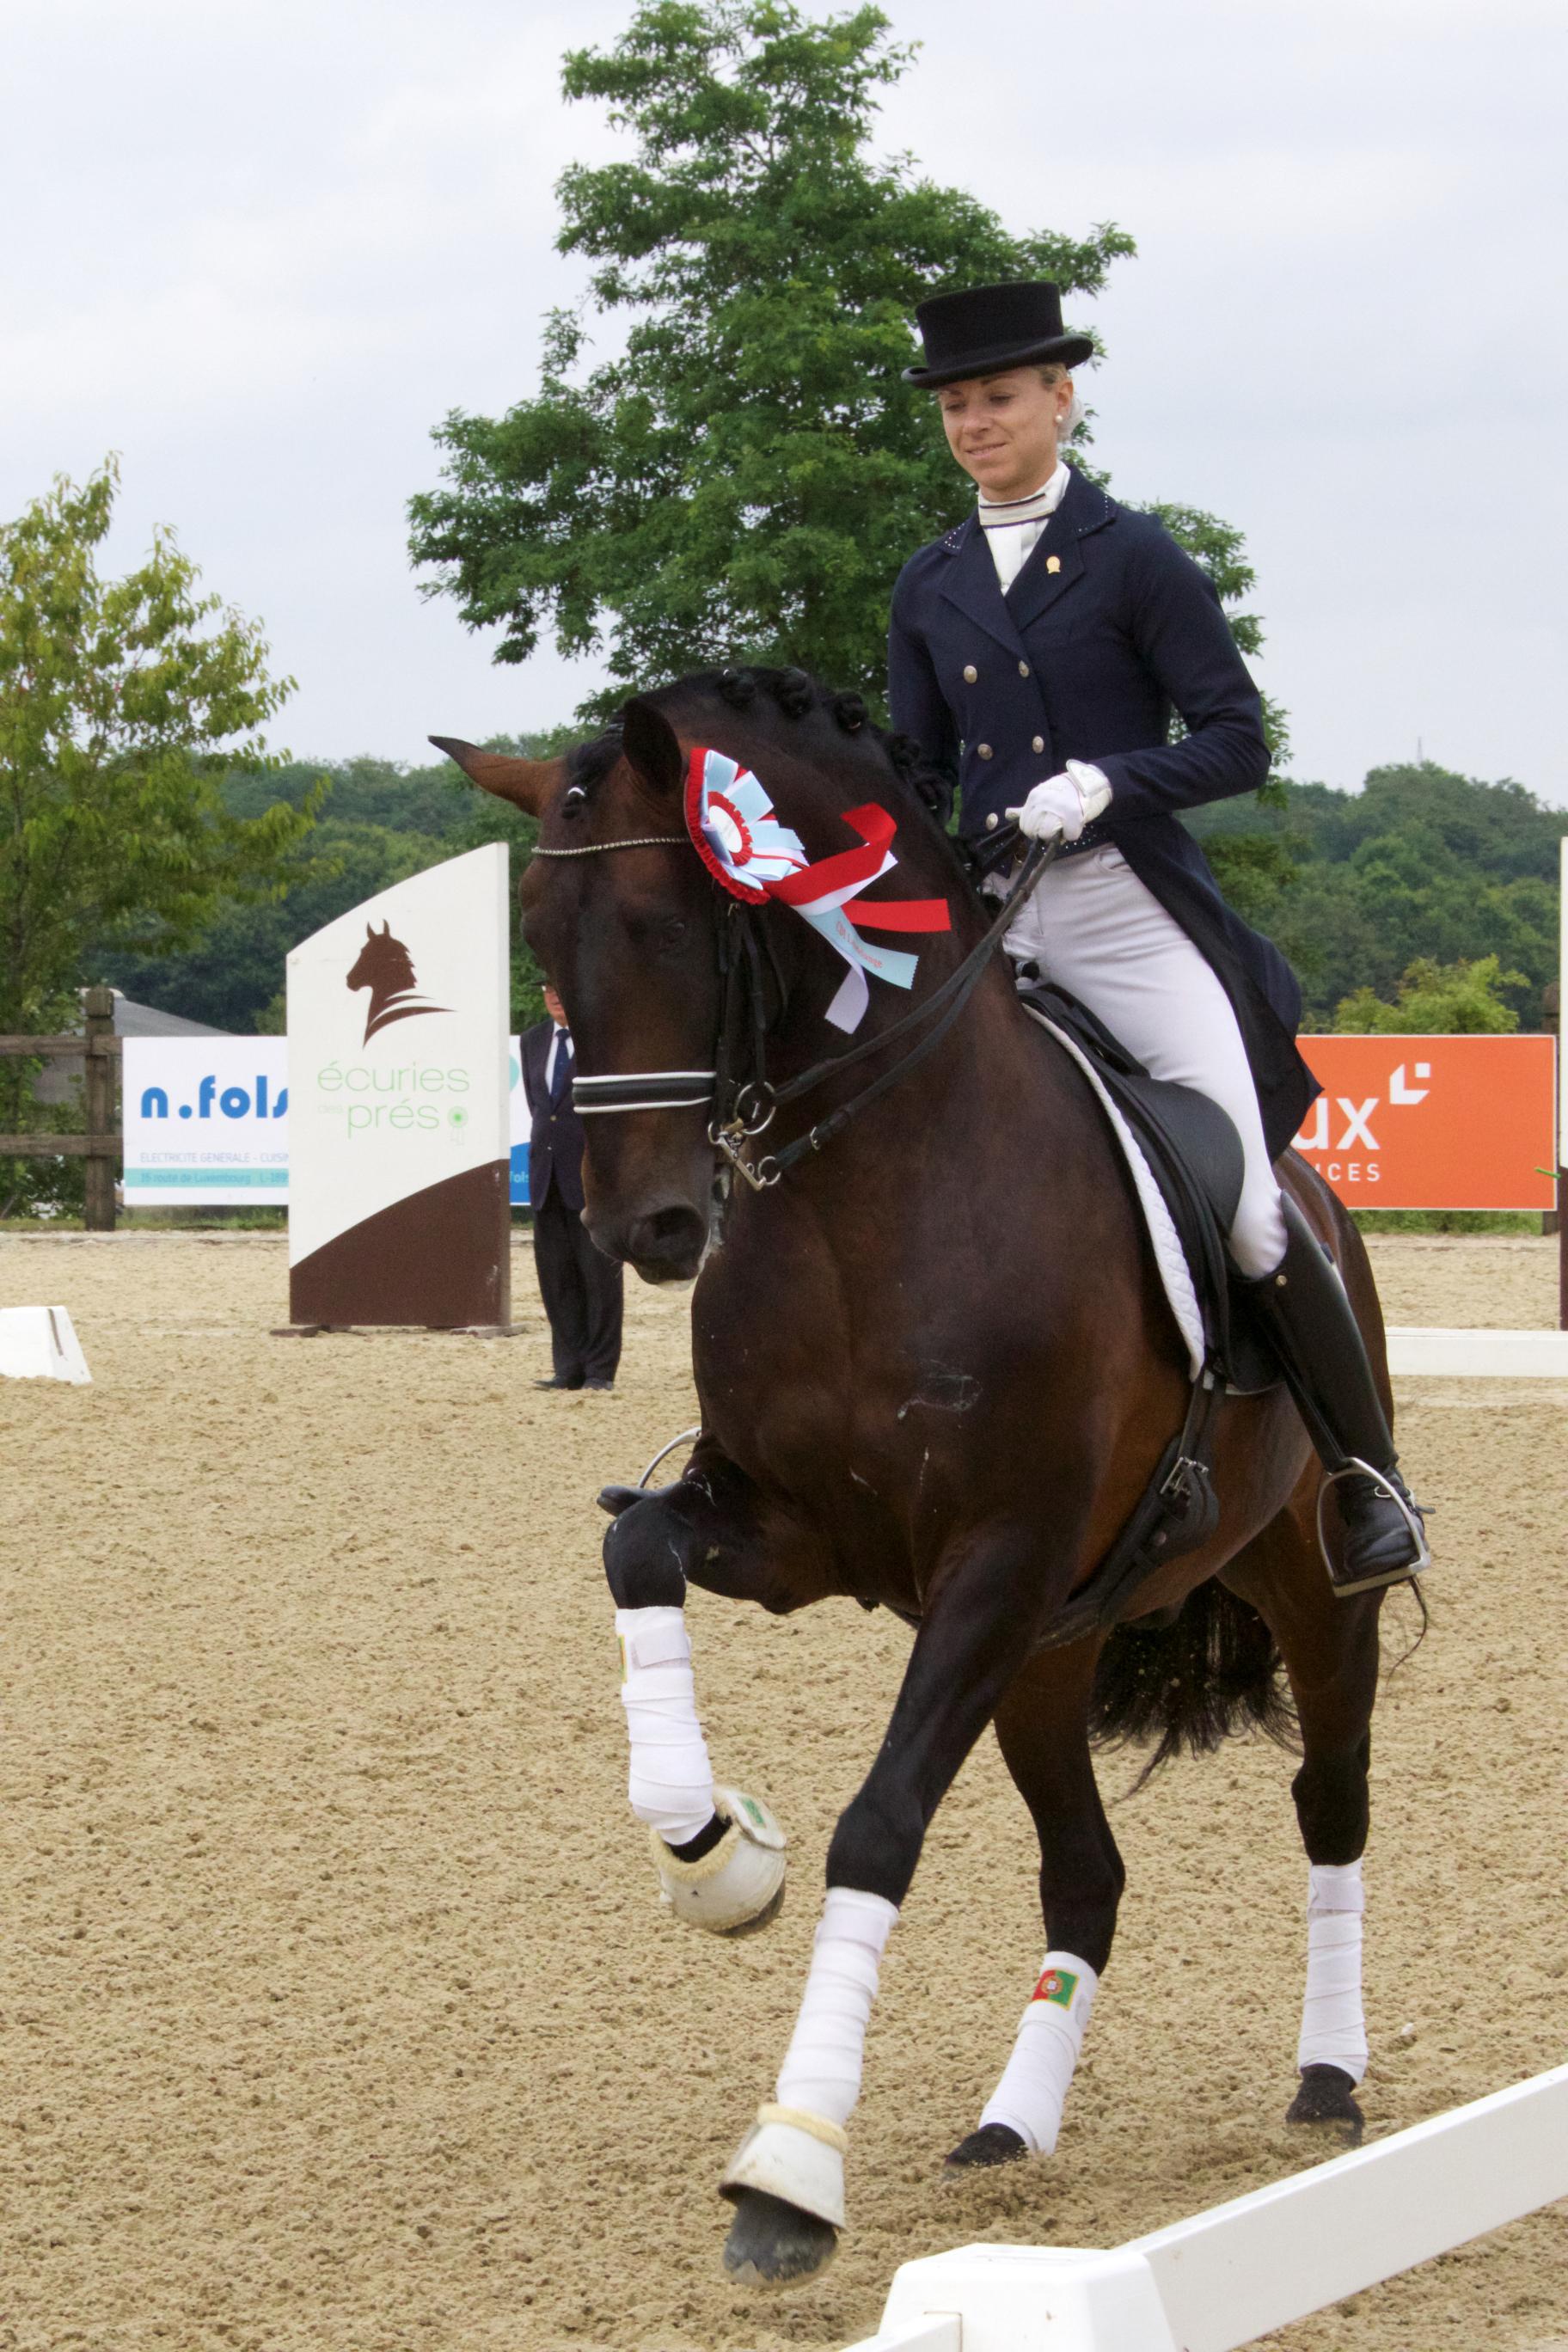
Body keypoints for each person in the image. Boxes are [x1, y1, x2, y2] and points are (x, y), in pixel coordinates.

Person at [887, 279, 1425, 1594]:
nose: (976, 423)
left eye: (1000, 398)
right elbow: (913, 764)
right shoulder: (932, 579)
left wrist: (1112, 781)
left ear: (1061, 398)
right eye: (957, 404)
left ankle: (1363, 1486)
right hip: (997, 922)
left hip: (1127, 909)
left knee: (1246, 1205)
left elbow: (1238, 734)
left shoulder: (1133, 555)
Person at [520, 984, 623, 1393]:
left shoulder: (602, 1038)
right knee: (556, 1278)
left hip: (590, 1177)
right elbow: (538, 1106)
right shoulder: (532, 1041)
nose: (555, 995)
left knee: (598, 1277)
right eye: (548, 989)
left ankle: (599, 1371)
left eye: (563, 987)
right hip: (545, 1175)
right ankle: (567, 1368)